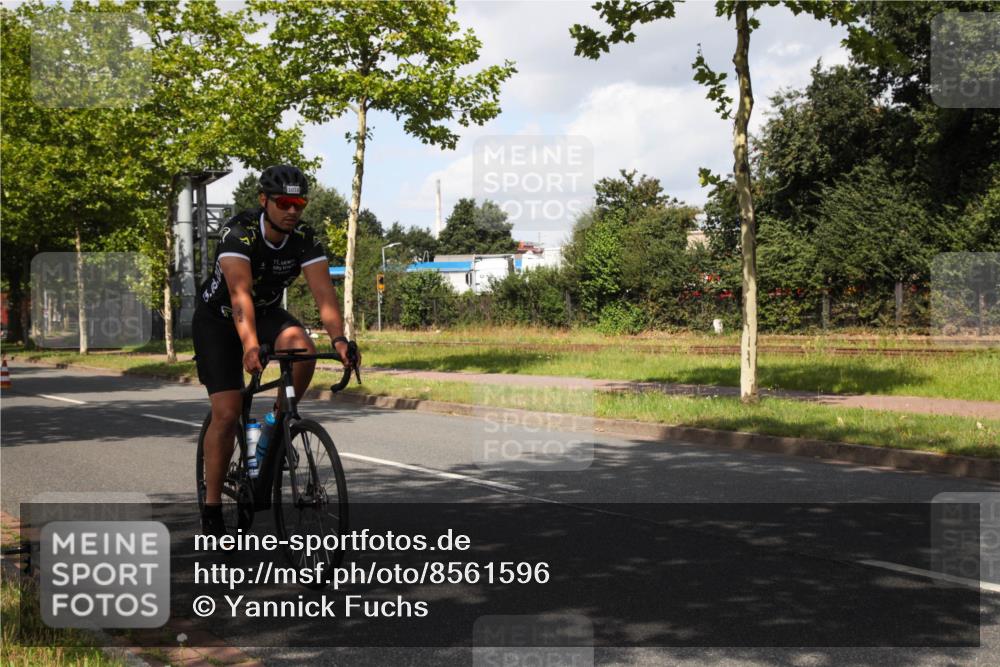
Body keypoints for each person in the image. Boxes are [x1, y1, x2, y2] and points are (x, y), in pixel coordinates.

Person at [191, 164, 357, 536]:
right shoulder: (239, 233)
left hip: (264, 313)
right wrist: (250, 346)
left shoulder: (304, 238)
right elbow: (238, 296)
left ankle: (275, 425)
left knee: (302, 347)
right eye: (284, 202)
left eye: (299, 202)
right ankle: (213, 506)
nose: (293, 210)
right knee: (228, 412)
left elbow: (323, 294)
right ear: (264, 200)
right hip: (219, 320)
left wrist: (340, 340)